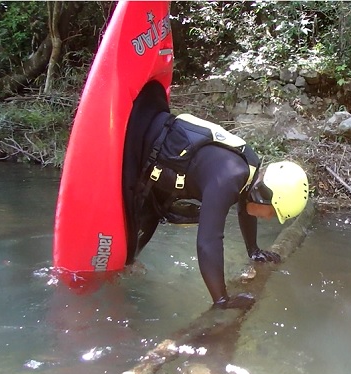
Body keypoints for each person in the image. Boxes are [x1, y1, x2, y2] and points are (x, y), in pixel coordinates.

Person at [122, 81, 309, 309]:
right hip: (135, 146)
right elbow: (208, 242)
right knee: (127, 248)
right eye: (273, 212)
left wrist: (254, 250)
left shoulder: (249, 171)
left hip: (155, 143)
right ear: (264, 195)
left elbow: (244, 207)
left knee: (138, 242)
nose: (269, 218)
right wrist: (222, 300)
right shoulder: (228, 179)